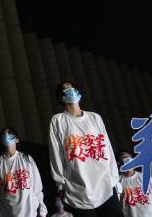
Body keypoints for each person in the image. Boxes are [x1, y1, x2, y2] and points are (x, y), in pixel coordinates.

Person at [47, 80, 123, 217]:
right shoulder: (58, 120)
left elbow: (107, 148)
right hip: (78, 188)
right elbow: (56, 155)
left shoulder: (95, 117)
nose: (70, 90)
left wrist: (114, 177)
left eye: (72, 88)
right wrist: (60, 184)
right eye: (66, 89)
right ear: (61, 97)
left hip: (105, 183)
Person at [0, 127, 47, 217]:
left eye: (10, 134)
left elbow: (37, 185)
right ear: (1, 141)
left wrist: (42, 210)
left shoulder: (26, 158)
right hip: (8, 212)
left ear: (17, 140)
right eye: (4, 134)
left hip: (29, 212)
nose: (6, 135)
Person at [116, 151, 152, 217]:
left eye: (129, 157)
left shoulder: (145, 177)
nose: (128, 160)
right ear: (119, 163)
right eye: (124, 158)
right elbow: (118, 206)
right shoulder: (118, 182)